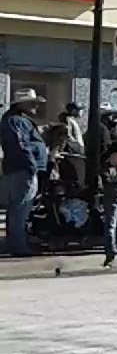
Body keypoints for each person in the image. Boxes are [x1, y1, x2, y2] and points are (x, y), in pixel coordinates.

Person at [1, 89, 49, 257]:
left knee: (19, 208)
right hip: (24, 169)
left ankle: (17, 243)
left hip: (22, 168)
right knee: (20, 208)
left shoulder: (16, 120)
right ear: (22, 104)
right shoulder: (16, 121)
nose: (36, 106)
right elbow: (21, 145)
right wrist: (32, 165)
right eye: (32, 103)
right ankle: (18, 246)